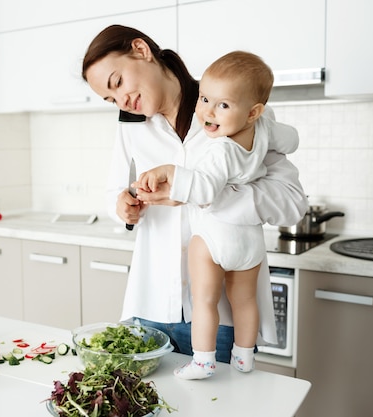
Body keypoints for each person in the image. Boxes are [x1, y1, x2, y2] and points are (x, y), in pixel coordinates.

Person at [81, 25, 308, 364]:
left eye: (117, 83)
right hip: (152, 306)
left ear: (141, 50)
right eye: (110, 98)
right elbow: (116, 190)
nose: (121, 100)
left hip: (224, 315)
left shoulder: (232, 102)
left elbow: (292, 203)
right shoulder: (129, 124)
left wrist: (197, 193)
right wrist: (124, 207)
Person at [134, 51, 300, 379]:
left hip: (213, 239)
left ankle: (203, 361)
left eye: (222, 105)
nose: (208, 111)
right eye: (205, 99)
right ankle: (244, 357)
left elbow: (205, 190)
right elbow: (292, 139)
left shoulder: (221, 148)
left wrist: (173, 173)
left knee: (205, 301)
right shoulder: (263, 129)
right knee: (244, 301)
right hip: (249, 241)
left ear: (252, 111)